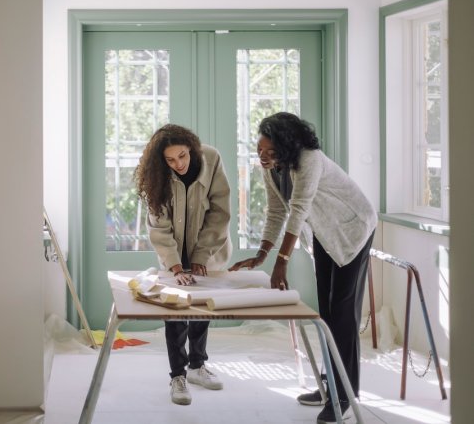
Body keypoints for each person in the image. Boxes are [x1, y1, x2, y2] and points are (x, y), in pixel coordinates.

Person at [229, 112, 377, 423]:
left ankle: (344, 396)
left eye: (270, 152)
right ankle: (329, 385)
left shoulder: (310, 159)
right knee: (326, 313)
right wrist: (261, 255)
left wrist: (281, 262)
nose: (264, 158)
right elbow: (275, 213)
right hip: (324, 233)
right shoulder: (272, 171)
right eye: (259, 151)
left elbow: (298, 209)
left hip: (353, 229)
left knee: (342, 312)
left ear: (287, 146)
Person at [134, 124, 232, 406]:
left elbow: (220, 212)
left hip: (208, 247)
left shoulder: (211, 159)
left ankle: (198, 367)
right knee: (175, 310)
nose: (178, 164)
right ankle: (177, 375)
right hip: (173, 251)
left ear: (191, 149)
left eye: (183, 156)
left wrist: (201, 255)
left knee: (202, 306)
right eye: (170, 160)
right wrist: (175, 265)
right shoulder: (158, 175)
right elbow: (158, 226)